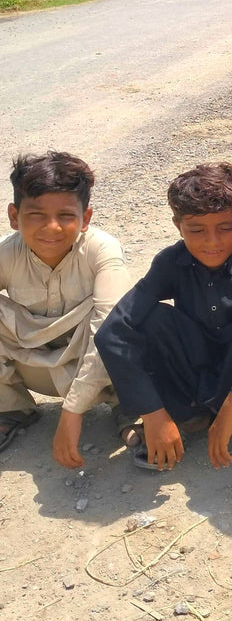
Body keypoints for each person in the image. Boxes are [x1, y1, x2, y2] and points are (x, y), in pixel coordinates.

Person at [95, 162, 232, 471]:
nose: (212, 242)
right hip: (193, 381)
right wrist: (154, 414)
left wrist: (230, 412)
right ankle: (181, 418)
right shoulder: (170, 262)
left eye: (226, 228)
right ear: (177, 225)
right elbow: (113, 332)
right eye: (196, 230)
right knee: (151, 319)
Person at [0, 152, 132, 468]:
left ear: (85, 219)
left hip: (98, 368)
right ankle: (10, 407)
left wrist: (71, 412)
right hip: (38, 368)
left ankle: (130, 407)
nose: (52, 227)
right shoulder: (7, 254)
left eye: (65, 215)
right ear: (14, 216)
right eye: (37, 215)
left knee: (128, 320)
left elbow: (110, 330)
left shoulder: (101, 250)